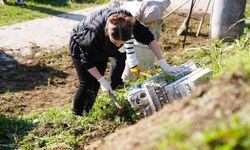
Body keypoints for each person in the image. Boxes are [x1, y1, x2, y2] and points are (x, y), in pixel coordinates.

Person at [69, 7, 177, 116]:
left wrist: (162, 62)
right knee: (87, 83)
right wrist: (102, 80)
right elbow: (86, 60)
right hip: (80, 45)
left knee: (95, 86)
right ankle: (77, 115)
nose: (119, 45)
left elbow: (149, 38)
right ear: (108, 31)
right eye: (116, 42)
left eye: (122, 42)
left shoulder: (129, 22)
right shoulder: (93, 34)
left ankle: (86, 112)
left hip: (102, 46)